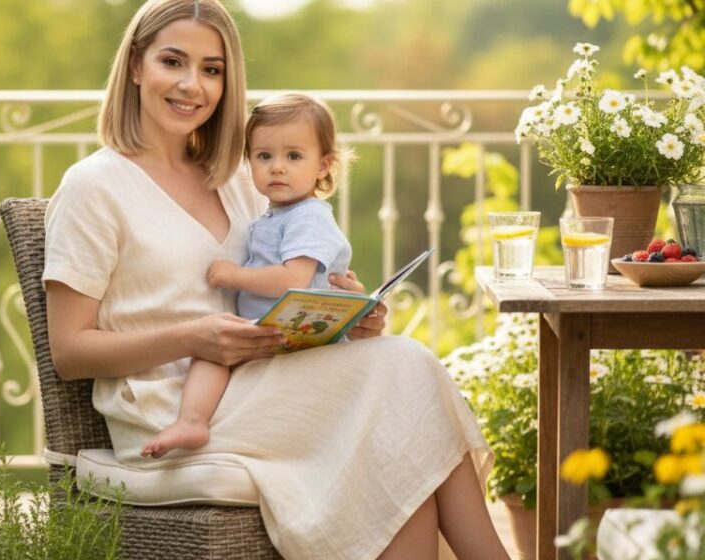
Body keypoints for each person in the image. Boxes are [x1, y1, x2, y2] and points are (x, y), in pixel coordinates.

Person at [42, 0, 511, 558]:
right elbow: (69, 351)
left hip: (260, 377)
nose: (193, 85)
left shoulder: (246, 178)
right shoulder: (93, 186)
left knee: (399, 392)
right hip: (166, 406)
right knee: (404, 374)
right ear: (137, 64)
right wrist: (194, 338)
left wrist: (339, 312)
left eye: (212, 70)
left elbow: (278, 285)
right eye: (174, 62)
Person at [140, 92, 353, 459]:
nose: (277, 167)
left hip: (299, 332)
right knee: (211, 352)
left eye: (294, 156)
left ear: (323, 165)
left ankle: (193, 420)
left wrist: (233, 275)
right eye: (264, 156)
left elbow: (293, 281)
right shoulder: (275, 215)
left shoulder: (309, 216)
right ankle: (192, 422)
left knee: (214, 353)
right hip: (272, 330)